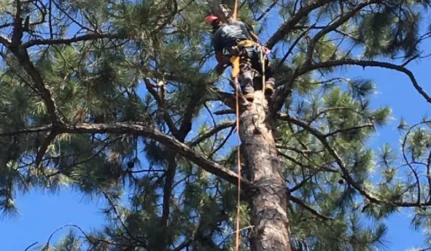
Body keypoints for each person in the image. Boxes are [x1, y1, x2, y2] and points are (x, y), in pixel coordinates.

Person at [204, 15, 275, 101]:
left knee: (244, 70)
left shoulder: (216, 35)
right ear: (219, 20)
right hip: (254, 49)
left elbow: (220, 58)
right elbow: (255, 38)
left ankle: (248, 92)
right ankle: (269, 83)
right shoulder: (239, 23)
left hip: (240, 53)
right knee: (266, 68)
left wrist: (227, 60)